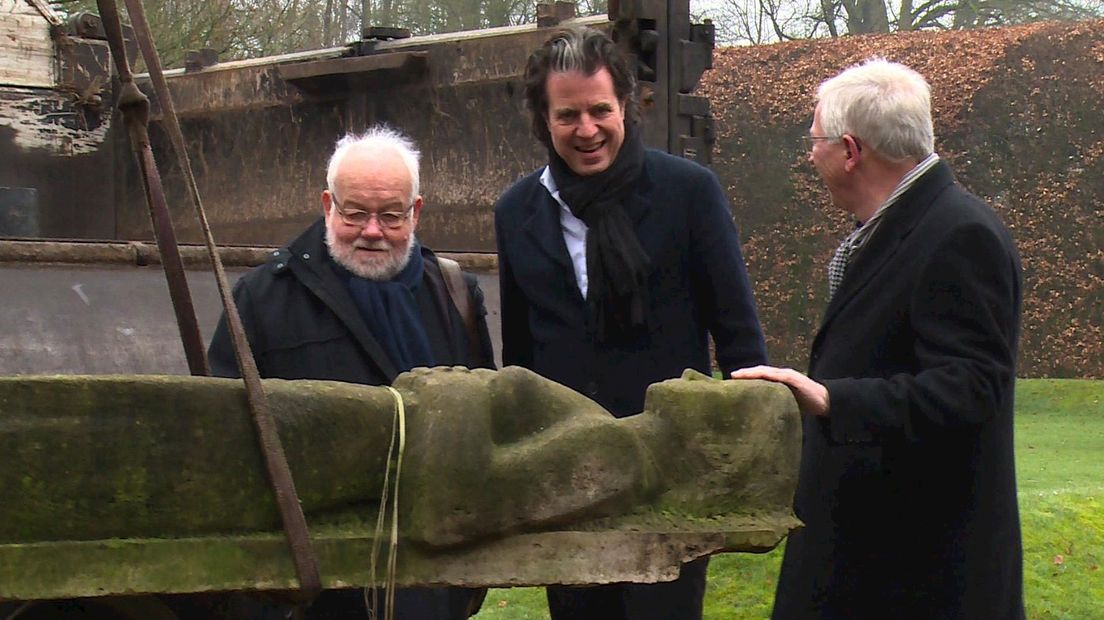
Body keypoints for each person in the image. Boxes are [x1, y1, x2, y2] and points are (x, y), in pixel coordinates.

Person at [732, 58, 1025, 619]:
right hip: (872, 560)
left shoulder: (958, 234)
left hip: (916, 574)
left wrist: (831, 399)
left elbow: (972, 388)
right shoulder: (900, 225)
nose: (808, 154)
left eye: (814, 140)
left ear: (850, 150)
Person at [494, 25, 768, 620]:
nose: (587, 130)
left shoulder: (688, 193)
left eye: (600, 110)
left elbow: (739, 334)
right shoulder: (515, 212)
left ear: (625, 107)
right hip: (564, 475)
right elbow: (520, 352)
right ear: (544, 121)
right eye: (568, 115)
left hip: (667, 469)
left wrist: (743, 453)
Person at [208, 125, 493, 620]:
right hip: (310, 588)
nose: (373, 231)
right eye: (355, 212)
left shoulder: (456, 296)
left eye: (391, 215)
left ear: (416, 212)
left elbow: (483, 423)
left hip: (427, 583)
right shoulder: (262, 299)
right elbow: (224, 441)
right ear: (327, 205)